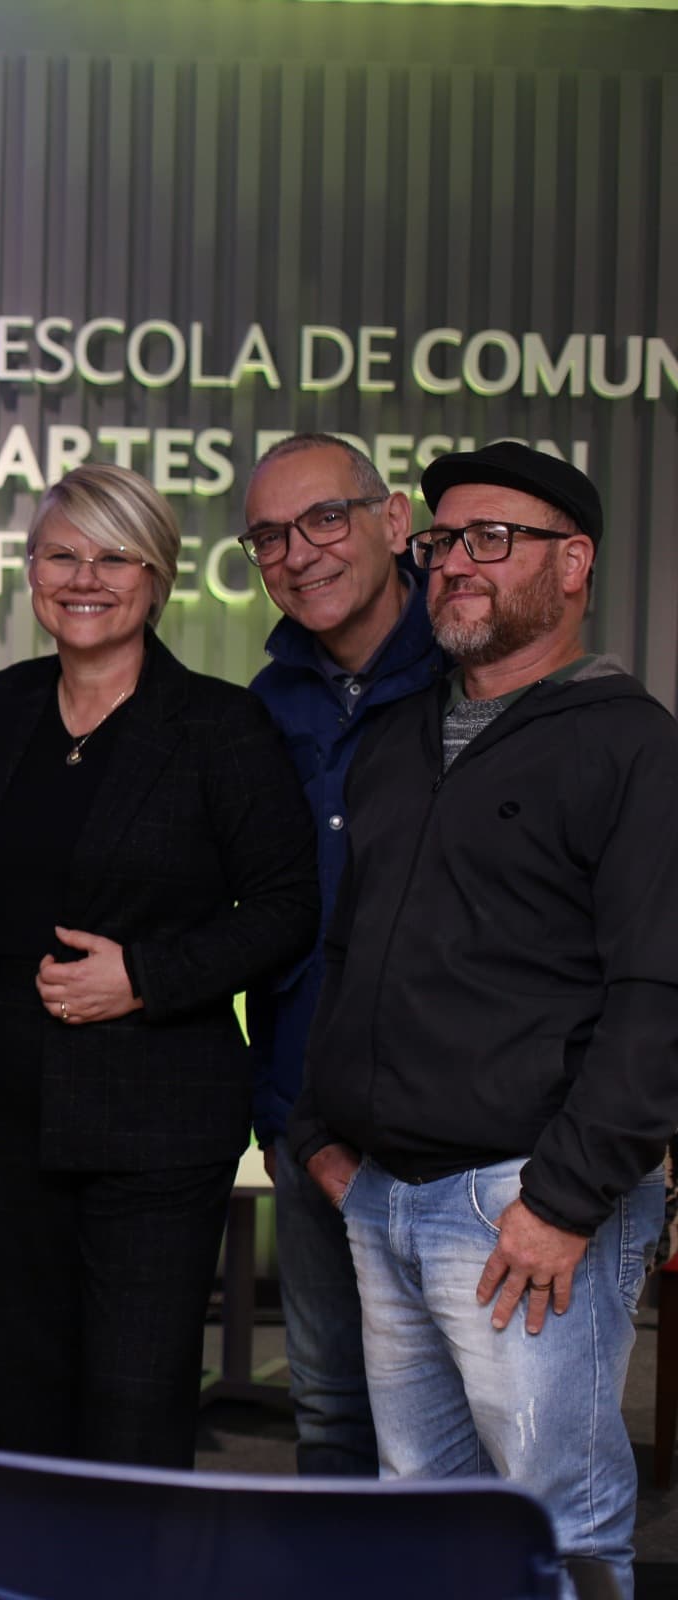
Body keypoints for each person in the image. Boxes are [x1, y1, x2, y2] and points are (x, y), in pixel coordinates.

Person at [291, 442, 678, 1598]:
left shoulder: (634, 746)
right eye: (444, 539)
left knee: (556, 1526)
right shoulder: (401, 737)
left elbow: (658, 994)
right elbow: (349, 949)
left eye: (493, 539)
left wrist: (562, 1202)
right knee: (426, 1523)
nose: (457, 561)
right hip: (386, 1196)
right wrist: (319, 1134)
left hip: (526, 1210)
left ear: (574, 563)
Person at [0, 461, 316, 1468]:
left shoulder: (218, 725)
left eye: (115, 557)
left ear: (157, 578)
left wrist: (147, 976)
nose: (85, 578)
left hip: (152, 1125)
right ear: (31, 570)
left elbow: (288, 906)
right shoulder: (5, 705)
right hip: (8, 1121)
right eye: (62, 555)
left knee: (134, 1412)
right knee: (25, 1407)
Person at [238, 433, 446, 1477]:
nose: (299, 552)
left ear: (394, 521)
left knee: (455, 1436)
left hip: (454, 1132)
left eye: (325, 517)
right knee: (329, 1414)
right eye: (270, 536)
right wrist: (277, 1116)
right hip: (306, 1114)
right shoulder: (263, 706)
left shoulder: (473, 673)